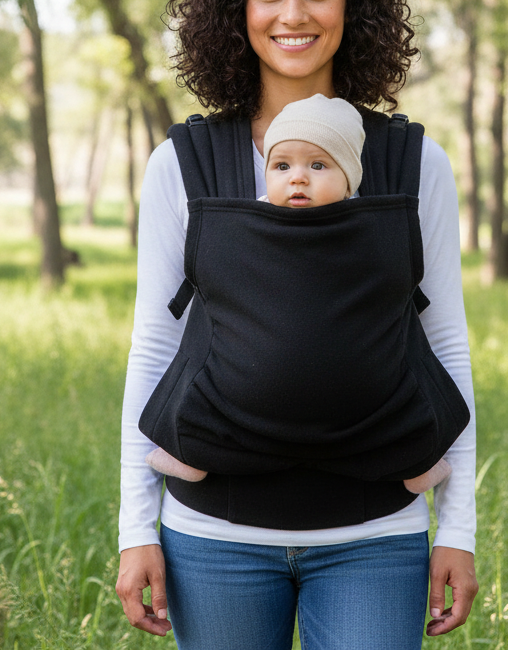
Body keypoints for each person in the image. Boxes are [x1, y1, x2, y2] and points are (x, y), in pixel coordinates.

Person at [116, 0, 477, 650]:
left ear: (352, 6)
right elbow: (154, 343)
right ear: (236, 9)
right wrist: (134, 527)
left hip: (377, 535)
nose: (294, 14)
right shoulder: (183, 165)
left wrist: (460, 530)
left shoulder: (414, 164)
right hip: (211, 539)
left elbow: (444, 343)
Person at [143, 93, 454, 496]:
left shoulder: (367, 224)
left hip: (369, 418)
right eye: (282, 165)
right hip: (231, 433)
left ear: (349, 181)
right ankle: (190, 454)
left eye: (319, 165)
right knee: (198, 407)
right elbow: (157, 336)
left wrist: (457, 528)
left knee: (408, 420)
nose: (298, 177)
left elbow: (439, 331)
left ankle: (419, 465)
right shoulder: (244, 219)